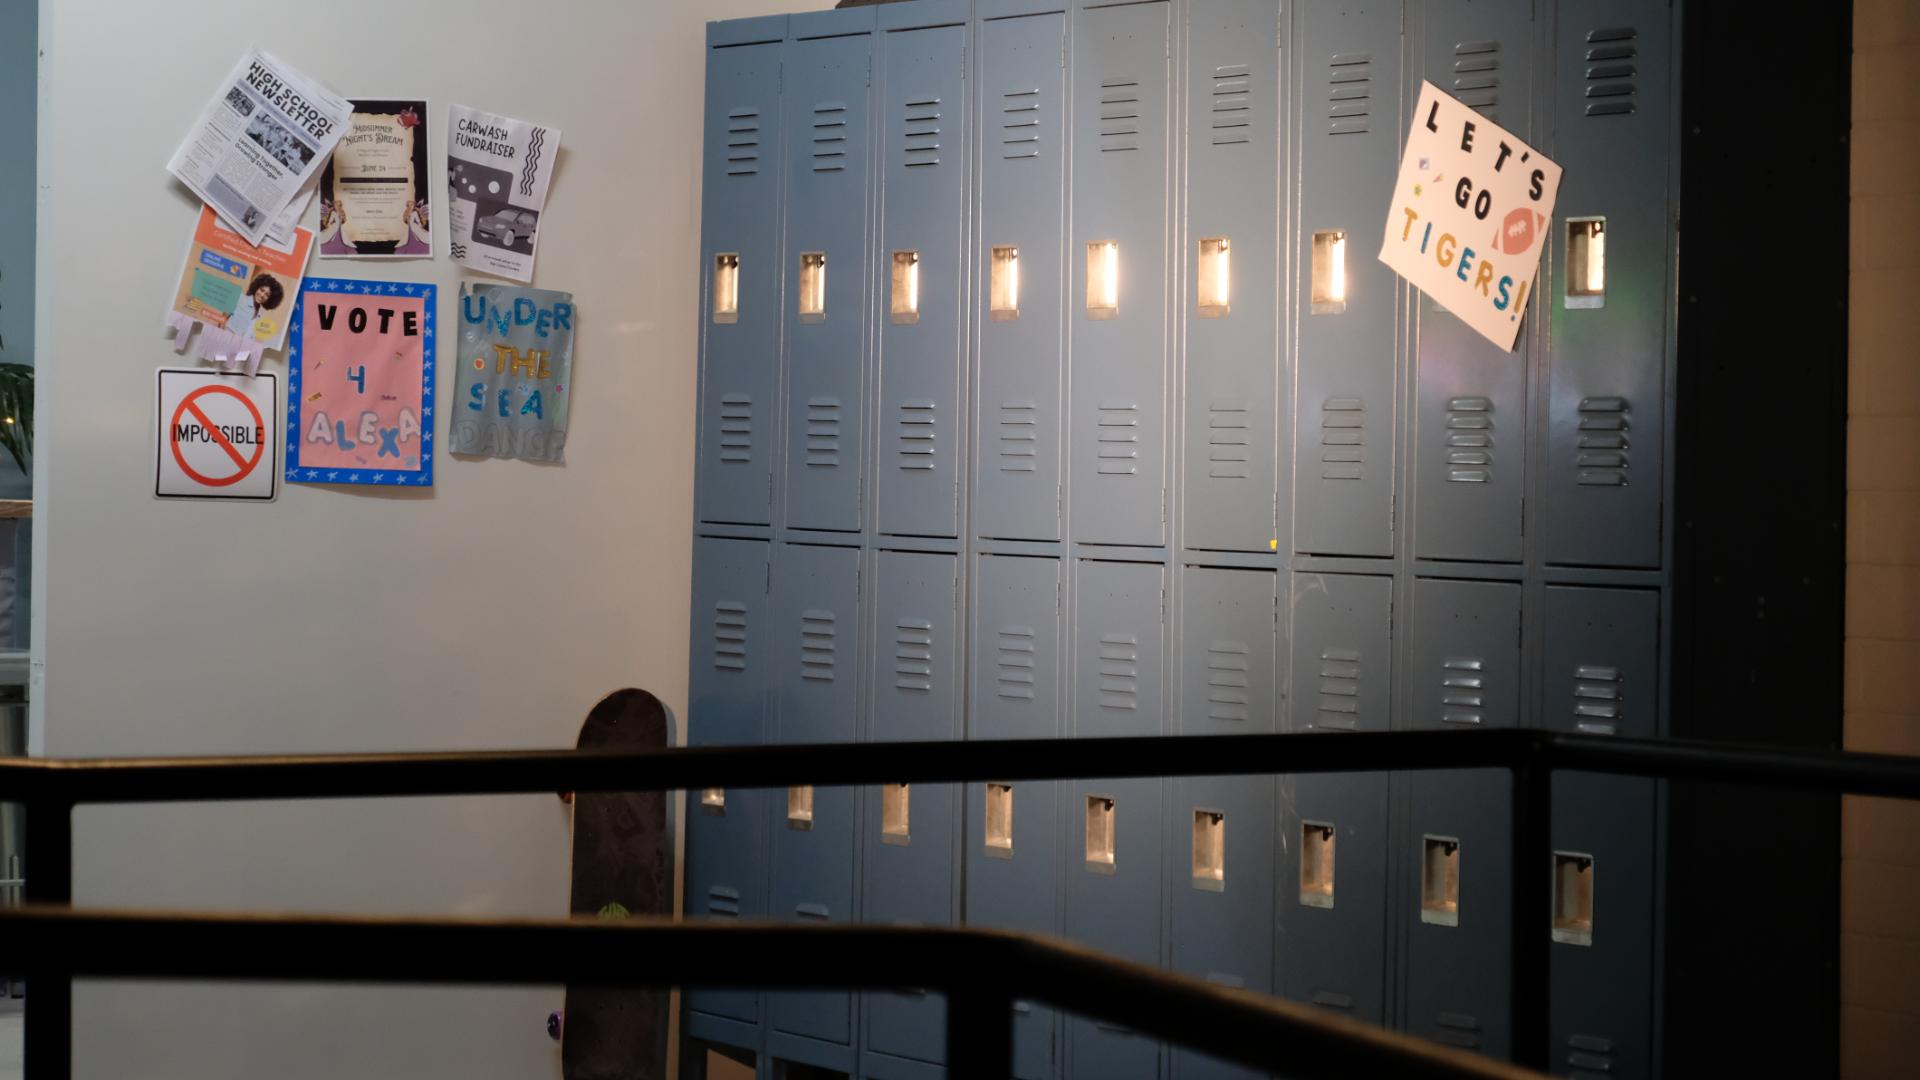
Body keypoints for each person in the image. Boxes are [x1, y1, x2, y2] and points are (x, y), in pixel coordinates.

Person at [227, 273, 286, 341]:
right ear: (256, 287)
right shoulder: (240, 298)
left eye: (267, 295)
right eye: (262, 290)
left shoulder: (260, 315)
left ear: (270, 299)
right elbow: (223, 321)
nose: (262, 295)